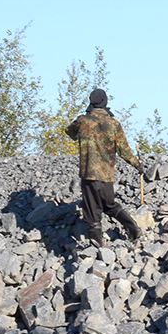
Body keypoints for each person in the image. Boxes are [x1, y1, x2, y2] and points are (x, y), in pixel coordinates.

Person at [66, 89, 144, 247]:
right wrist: (137, 163)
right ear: (105, 102)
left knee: (91, 210)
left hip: (89, 172)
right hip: (106, 173)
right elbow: (123, 150)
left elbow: (70, 132)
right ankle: (132, 228)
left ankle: (96, 245)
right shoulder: (113, 123)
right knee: (109, 204)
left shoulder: (82, 121)